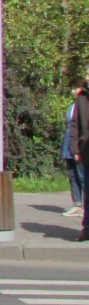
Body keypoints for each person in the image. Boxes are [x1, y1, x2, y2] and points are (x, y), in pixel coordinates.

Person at [62, 83, 85, 218]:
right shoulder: (72, 105)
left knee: (82, 176)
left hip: (79, 146)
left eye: (75, 88)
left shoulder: (84, 105)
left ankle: (85, 206)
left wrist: (78, 148)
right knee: (72, 175)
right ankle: (77, 204)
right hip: (69, 144)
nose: (73, 91)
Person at [73, 78, 89, 242]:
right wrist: (75, 149)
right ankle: (87, 230)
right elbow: (74, 126)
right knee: (88, 195)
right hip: (87, 152)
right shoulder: (81, 99)